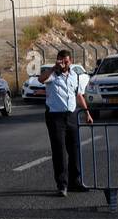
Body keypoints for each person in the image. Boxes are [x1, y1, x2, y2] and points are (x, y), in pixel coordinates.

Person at [38, 49, 93, 197]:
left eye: (66, 61)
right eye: (61, 61)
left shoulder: (75, 75)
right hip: (55, 117)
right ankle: (62, 185)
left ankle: (75, 182)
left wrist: (87, 113)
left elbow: (78, 95)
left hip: (72, 116)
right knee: (60, 151)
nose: (64, 64)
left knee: (74, 149)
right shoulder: (52, 75)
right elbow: (41, 79)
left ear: (70, 62)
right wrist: (53, 68)